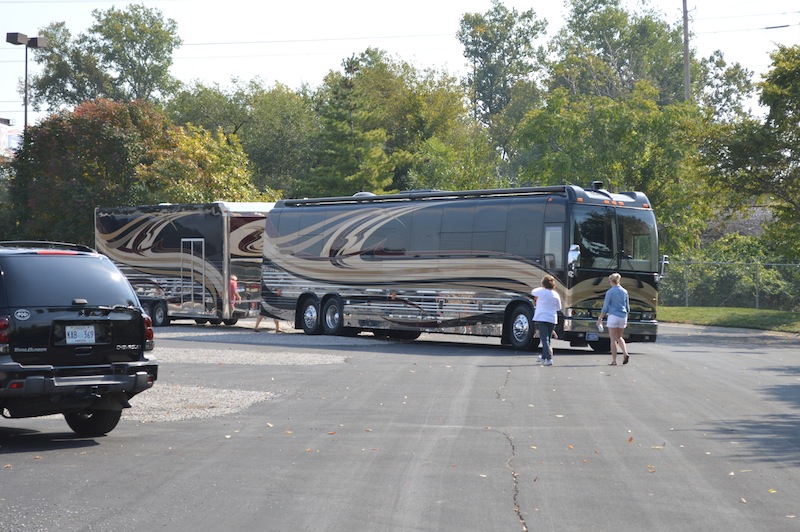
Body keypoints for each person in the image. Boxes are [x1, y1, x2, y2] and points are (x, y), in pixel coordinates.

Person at [597, 272, 631, 365]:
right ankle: (625, 353)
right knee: (620, 337)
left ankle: (614, 360)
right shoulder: (625, 291)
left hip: (613, 316)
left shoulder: (610, 292)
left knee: (613, 339)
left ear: (611, 281)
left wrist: (600, 318)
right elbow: (627, 307)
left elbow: (605, 306)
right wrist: (626, 318)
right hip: (623, 316)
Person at [531, 275, 562, 366]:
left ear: (543, 284)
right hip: (552, 318)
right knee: (547, 339)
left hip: (542, 317)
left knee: (544, 339)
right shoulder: (556, 294)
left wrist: (542, 287)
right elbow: (558, 307)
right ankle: (543, 357)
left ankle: (549, 358)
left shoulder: (541, 292)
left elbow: (533, 291)